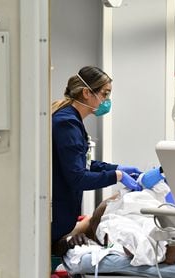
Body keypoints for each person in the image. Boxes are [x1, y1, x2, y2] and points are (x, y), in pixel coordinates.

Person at [52, 66, 142, 256]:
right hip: (57, 214)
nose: (107, 101)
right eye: (105, 94)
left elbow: (80, 163)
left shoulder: (71, 119)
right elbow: (77, 177)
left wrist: (116, 168)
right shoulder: (66, 123)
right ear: (86, 92)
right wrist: (116, 176)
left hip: (63, 216)